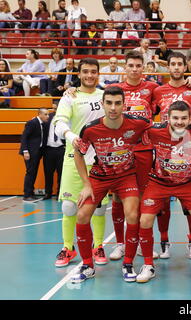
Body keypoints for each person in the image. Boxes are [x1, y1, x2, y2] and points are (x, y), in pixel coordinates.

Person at [71, 86, 152, 283]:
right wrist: (86, 184)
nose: (113, 108)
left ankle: (128, 263)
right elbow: (78, 155)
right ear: (102, 104)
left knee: (133, 214)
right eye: (109, 103)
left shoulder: (139, 124)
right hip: (100, 177)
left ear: (124, 105)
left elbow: (165, 129)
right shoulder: (90, 128)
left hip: (126, 176)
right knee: (81, 214)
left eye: (117, 103)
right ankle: (88, 265)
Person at [136, 101, 191, 282]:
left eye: (184, 118)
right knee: (145, 219)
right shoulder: (154, 131)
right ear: (167, 118)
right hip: (159, 182)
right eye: (175, 118)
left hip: (187, 183)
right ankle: (148, 265)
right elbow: (135, 129)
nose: (179, 122)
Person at [53, 58, 109, 268]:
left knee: (100, 208)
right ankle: (68, 247)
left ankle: (98, 245)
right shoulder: (70, 97)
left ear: (98, 74)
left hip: (99, 161)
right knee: (69, 207)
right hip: (73, 158)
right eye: (85, 71)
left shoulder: (105, 96)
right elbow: (59, 123)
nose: (89, 75)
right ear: (79, 74)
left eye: (93, 72)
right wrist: (71, 136)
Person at [107, 50, 160, 261]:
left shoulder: (152, 88)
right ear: (125, 67)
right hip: (120, 150)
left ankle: (140, 241)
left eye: (139, 66)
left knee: (143, 197)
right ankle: (121, 243)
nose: (135, 69)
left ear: (144, 67)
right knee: (119, 196)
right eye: (131, 65)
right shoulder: (116, 90)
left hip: (145, 150)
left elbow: (173, 93)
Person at [151, 52, 191, 259]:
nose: (176, 67)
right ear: (168, 67)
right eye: (172, 64)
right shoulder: (158, 90)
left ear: (185, 66)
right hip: (163, 148)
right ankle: (164, 240)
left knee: (188, 201)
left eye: (180, 64)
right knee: (163, 202)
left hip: (188, 147)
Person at [19, 108, 49, 202]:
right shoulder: (32, 122)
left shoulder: (42, 124)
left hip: (36, 152)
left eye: (48, 114)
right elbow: (24, 137)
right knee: (30, 173)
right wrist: (25, 151)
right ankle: (26, 195)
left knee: (33, 173)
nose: (47, 116)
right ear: (40, 114)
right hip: (30, 153)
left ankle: (30, 193)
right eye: (45, 114)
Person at [43, 106, 65, 200]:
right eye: (53, 108)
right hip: (49, 149)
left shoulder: (65, 118)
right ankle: (48, 193)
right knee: (48, 173)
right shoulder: (49, 117)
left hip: (61, 148)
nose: (54, 110)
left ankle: (59, 193)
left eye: (56, 108)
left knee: (61, 173)